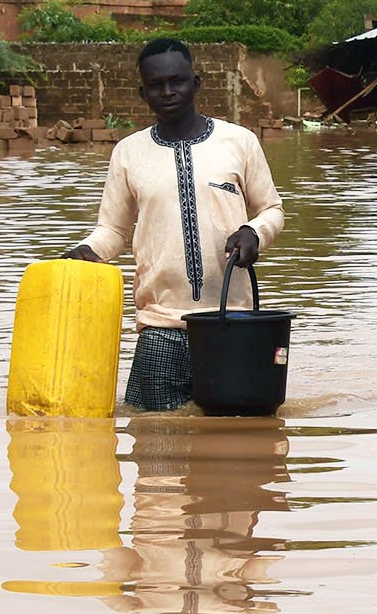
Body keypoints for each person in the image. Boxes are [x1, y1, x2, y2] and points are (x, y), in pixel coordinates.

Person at [64, 39, 285, 411]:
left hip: (232, 325)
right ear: (142, 92)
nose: (168, 92)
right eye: (156, 85)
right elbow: (114, 230)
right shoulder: (129, 153)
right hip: (160, 327)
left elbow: (272, 210)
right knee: (154, 447)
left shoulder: (239, 142)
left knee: (236, 451)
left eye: (177, 81)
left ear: (196, 83)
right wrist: (86, 252)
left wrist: (254, 232)